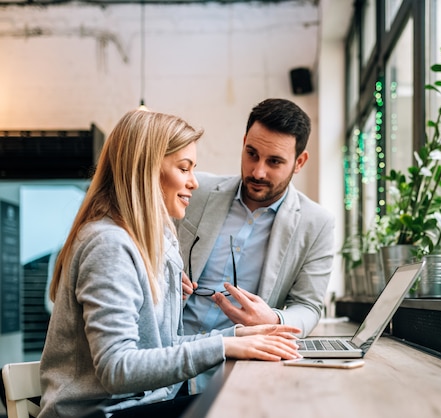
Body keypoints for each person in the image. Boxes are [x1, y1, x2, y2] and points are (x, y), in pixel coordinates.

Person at [39, 109, 301, 418]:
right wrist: (224, 348)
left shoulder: (158, 242)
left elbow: (162, 346)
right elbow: (116, 368)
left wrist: (235, 336)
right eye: (184, 168)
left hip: (137, 406)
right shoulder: (109, 244)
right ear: (147, 169)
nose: (194, 183)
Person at [178, 98, 335, 339]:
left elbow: (309, 305)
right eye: (252, 154)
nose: (257, 171)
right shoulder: (196, 189)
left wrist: (275, 320)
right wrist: (162, 274)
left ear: (299, 162)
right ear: (243, 144)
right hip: (169, 348)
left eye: (274, 161)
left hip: (240, 359)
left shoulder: (317, 224)